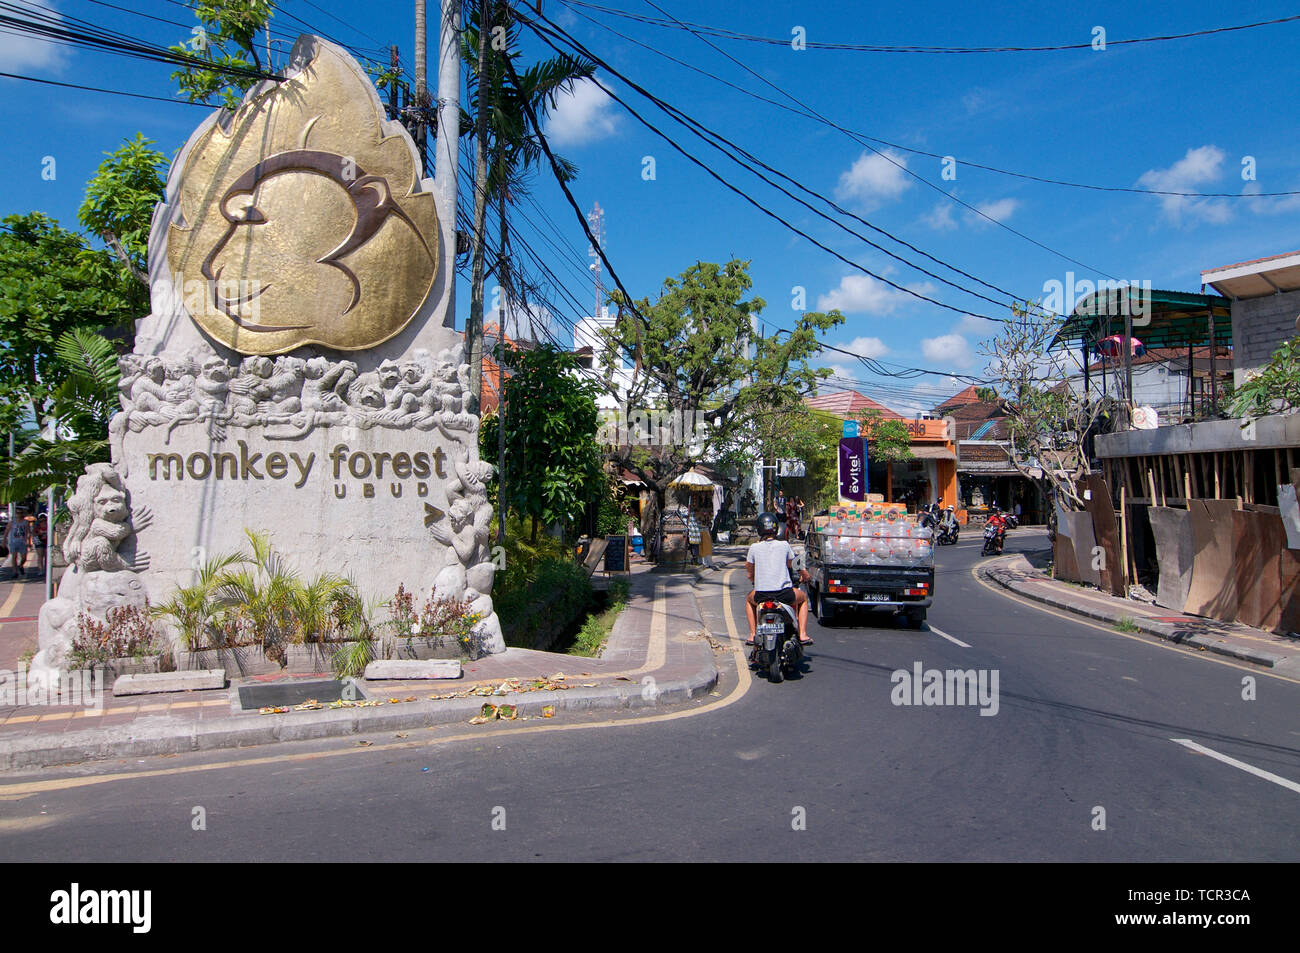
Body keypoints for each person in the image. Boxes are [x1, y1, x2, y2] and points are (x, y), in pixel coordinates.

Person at [745, 511, 812, 646]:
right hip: (784, 594)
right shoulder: (784, 545)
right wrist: (806, 576)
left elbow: (749, 572)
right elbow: (795, 564)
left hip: (761, 595)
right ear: (776, 529)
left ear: (759, 529)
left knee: (748, 600)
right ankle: (803, 634)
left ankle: (752, 635)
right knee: (803, 598)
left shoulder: (754, 548)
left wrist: (753, 579)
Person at [6, 513, 29, 579]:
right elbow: (6, 531)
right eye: (17, 513)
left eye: (19, 513)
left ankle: (21, 565)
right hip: (14, 542)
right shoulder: (12, 523)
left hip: (23, 542)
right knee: (14, 557)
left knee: (24, 558)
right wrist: (4, 541)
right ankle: (15, 572)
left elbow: (28, 532)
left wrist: (29, 541)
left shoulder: (25, 522)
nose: (18, 515)